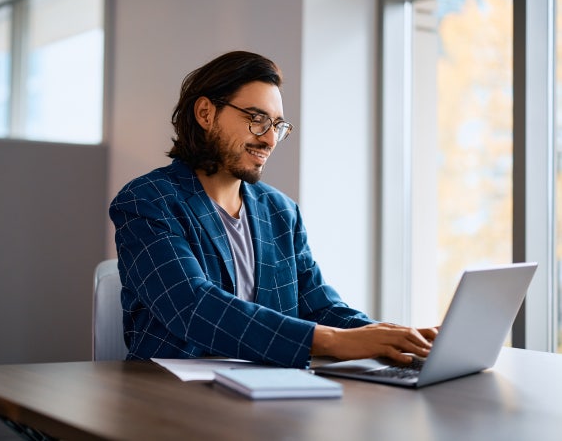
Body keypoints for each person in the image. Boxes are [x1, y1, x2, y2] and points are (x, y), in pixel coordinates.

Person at [109, 50, 437, 368]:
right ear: (206, 114)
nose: (269, 139)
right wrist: (333, 341)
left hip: (267, 398)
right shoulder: (147, 201)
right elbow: (192, 307)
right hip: (167, 399)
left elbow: (320, 308)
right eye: (256, 119)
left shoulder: (281, 212)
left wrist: (394, 340)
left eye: (277, 126)